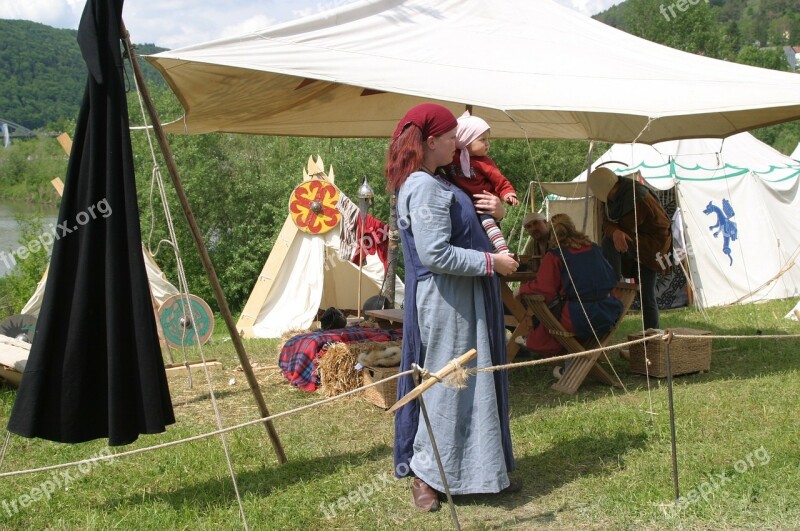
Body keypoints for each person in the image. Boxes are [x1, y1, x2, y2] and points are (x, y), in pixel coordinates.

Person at [387, 103, 519, 512]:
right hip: (446, 298)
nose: (455, 143)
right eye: (448, 138)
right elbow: (434, 254)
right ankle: (425, 473)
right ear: (430, 142)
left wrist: (495, 211)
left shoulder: (438, 180)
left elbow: (468, 225)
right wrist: (490, 262)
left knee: (471, 385)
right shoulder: (423, 186)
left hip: (464, 296)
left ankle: (477, 470)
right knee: (446, 384)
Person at [516, 213, 623, 376]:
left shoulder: (556, 255)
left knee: (551, 311)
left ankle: (564, 364)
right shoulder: (594, 248)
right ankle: (571, 362)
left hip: (579, 319)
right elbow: (611, 277)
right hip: (609, 313)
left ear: (552, 232)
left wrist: (520, 290)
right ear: (572, 227)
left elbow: (543, 289)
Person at [588, 167, 672, 329]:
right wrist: (615, 231)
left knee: (647, 295)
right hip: (633, 243)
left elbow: (657, 227)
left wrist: (618, 232)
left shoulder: (638, 196)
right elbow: (608, 222)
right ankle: (613, 284)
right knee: (609, 239)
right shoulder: (612, 198)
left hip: (652, 247)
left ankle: (652, 338)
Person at [448, 111, 518, 254]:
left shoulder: (485, 163)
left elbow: (500, 180)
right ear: (465, 140)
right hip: (465, 205)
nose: (487, 144)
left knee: (488, 223)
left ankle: (502, 249)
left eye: (488, 140)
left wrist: (508, 193)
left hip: (483, 204)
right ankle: (492, 248)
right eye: (482, 140)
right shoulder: (451, 157)